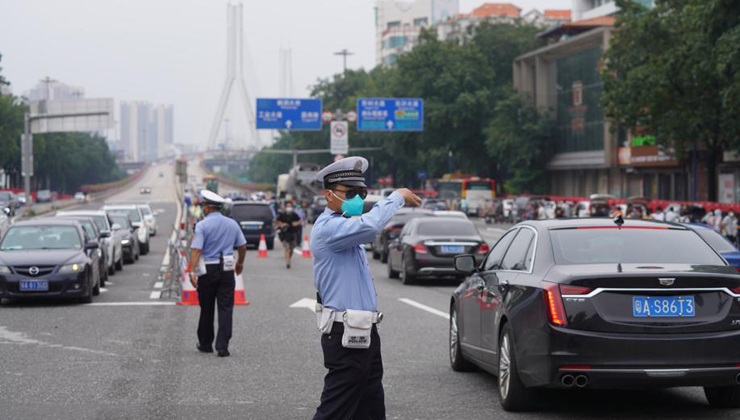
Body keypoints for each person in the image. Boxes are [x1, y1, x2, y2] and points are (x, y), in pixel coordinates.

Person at [310, 157, 421, 420]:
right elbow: (371, 225)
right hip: (345, 333)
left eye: (361, 193)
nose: (358, 199)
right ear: (328, 195)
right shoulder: (329, 228)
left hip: (364, 331)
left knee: (370, 408)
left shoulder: (345, 227)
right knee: (335, 410)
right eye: (350, 193)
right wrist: (397, 196)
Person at [188, 190, 247, 358]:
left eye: (203, 206)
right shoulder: (232, 224)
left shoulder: (202, 225)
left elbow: (196, 249)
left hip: (207, 270)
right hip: (227, 269)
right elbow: (242, 246)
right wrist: (240, 263)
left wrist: (192, 271)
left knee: (206, 308)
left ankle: (206, 344)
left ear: (206, 208)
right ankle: (222, 346)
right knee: (226, 308)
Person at [276, 201, 301, 269]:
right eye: (287, 206)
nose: (289, 208)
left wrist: (296, 223)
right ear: (285, 207)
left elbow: (300, 220)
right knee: (287, 248)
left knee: (291, 249)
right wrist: (282, 224)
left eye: (290, 206)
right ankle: (287, 261)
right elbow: (277, 221)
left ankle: (289, 258)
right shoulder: (282, 215)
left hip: (293, 234)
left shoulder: (294, 215)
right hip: (284, 234)